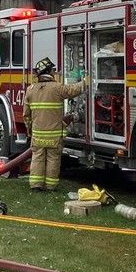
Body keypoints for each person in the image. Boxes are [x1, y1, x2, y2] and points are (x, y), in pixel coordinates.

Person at [23, 57, 87, 192]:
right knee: (53, 159)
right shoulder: (57, 88)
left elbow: (26, 115)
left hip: (38, 134)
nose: (54, 72)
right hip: (54, 135)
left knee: (37, 158)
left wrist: (30, 130)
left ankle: (36, 186)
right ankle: (51, 186)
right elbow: (73, 90)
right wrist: (86, 81)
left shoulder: (31, 90)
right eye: (52, 70)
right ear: (49, 72)